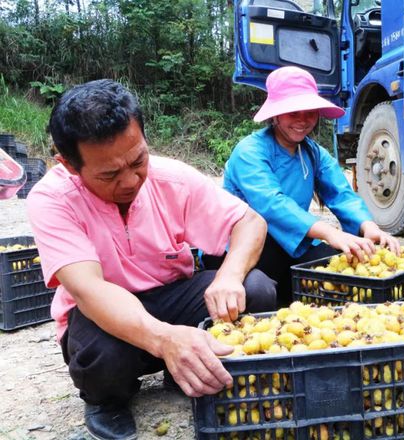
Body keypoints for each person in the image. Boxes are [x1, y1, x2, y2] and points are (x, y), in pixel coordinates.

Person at [26, 79, 277, 440]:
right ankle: (107, 400)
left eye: (138, 159)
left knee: (255, 288)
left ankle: (186, 370)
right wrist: (165, 340)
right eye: (109, 174)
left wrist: (229, 275)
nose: (130, 180)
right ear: (68, 164)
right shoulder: (52, 200)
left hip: (172, 295)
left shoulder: (172, 178)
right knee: (102, 355)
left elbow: (250, 222)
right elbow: (88, 289)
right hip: (104, 310)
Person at [224, 66, 399, 304]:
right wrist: (330, 233)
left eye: (310, 112)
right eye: (293, 112)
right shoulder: (249, 152)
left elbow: (342, 194)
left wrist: (369, 227)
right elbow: (273, 204)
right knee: (261, 291)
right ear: (275, 115)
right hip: (243, 247)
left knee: (344, 263)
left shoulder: (313, 153)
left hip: (290, 242)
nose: (303, 121)